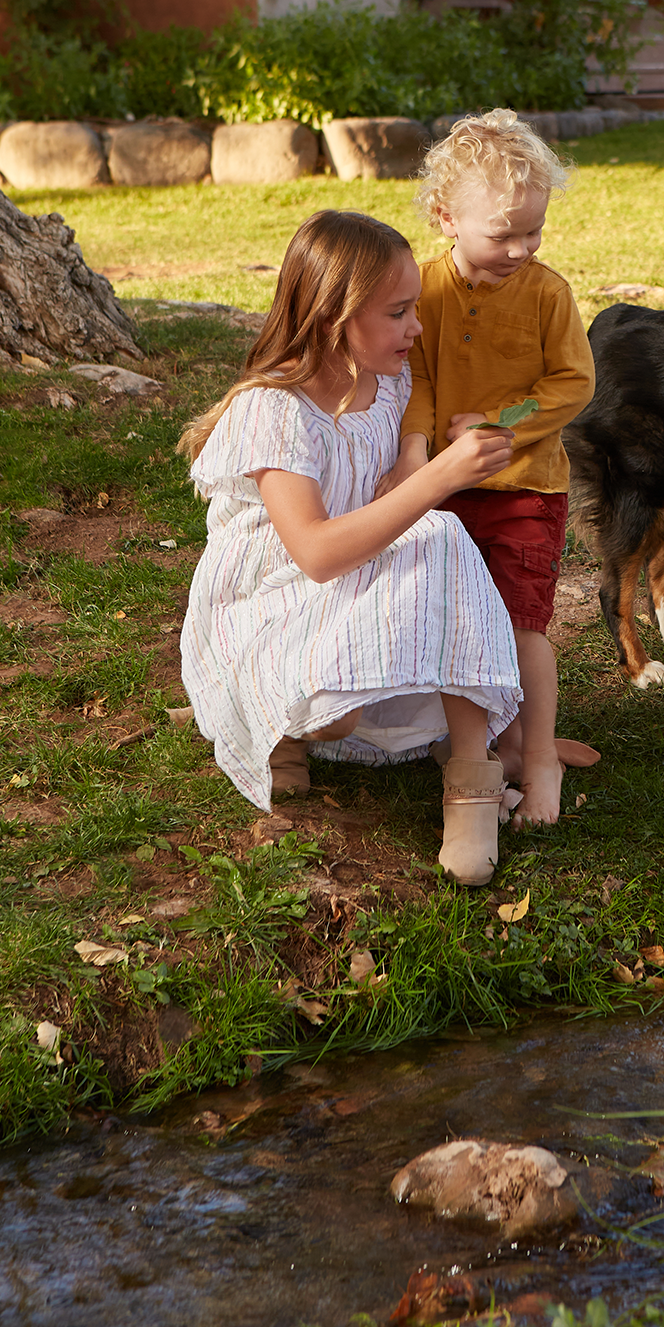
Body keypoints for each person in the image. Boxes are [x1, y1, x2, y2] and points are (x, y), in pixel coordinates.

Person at [177, 209, 522, 887]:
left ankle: (471, 783)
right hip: (273, 609)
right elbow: (316, 554)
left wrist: (442, 446)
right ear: (337, 316)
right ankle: (286, 724)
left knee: (442, 534)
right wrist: (438, 480)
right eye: (398, 313)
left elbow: (397, 486)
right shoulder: (273, 408)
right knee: (431, 527)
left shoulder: (389, 386)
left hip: (352, 590)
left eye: (414, 308)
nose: (415, 328)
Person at [386, 110, 597, 828]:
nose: (521, 247)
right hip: (445, 492)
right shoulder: (424, 289)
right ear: (447, 217)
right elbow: (417, 381)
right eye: (503, 233)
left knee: (521, 624)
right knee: (456, 624)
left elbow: (574, 383)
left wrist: (503, 425)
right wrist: (418, 454)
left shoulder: (547, 293)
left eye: (533, 231)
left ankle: (539, 758)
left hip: (524, 490)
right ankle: (494, 747)